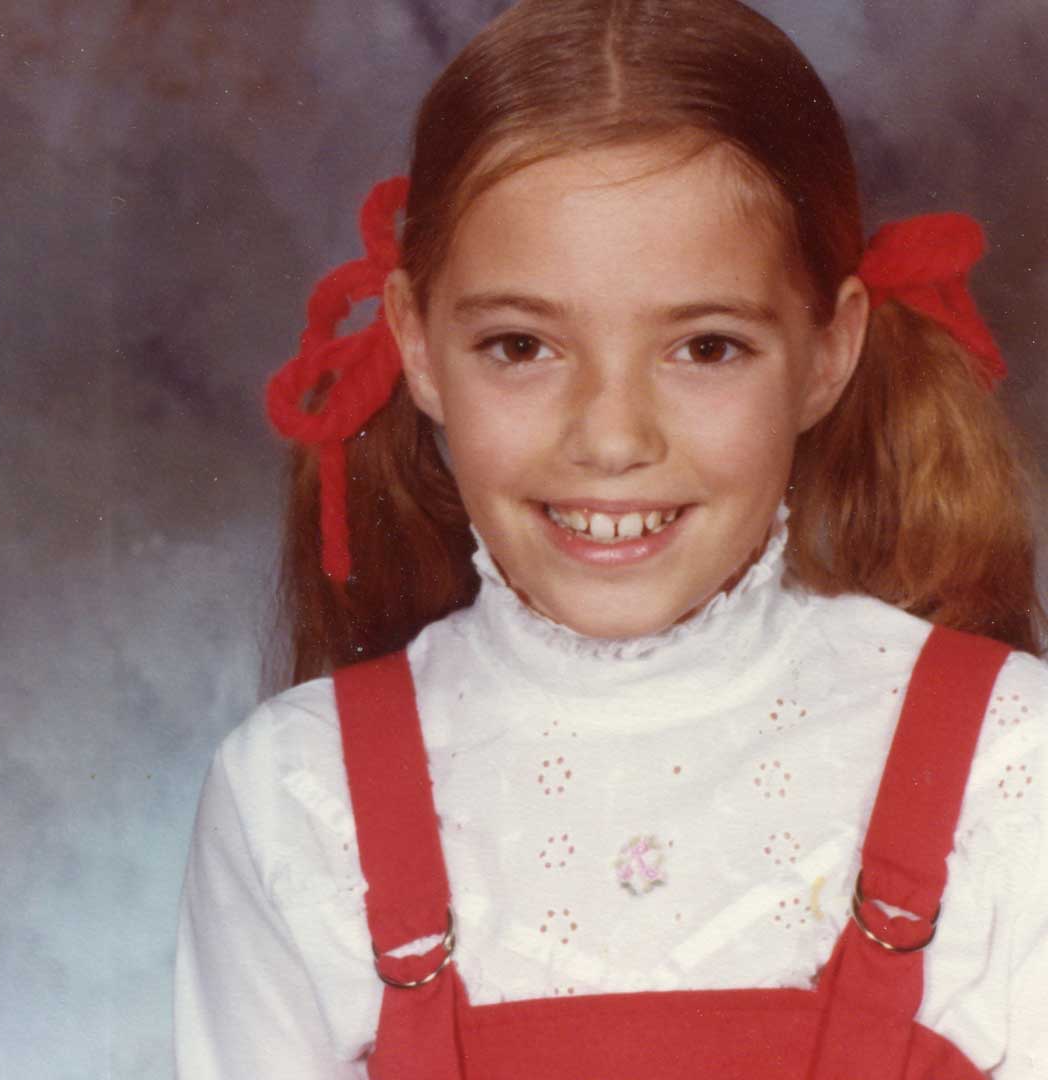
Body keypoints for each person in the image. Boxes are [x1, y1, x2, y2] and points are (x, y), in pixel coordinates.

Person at [174, 0, 1048, 1076]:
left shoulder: (1013, 767)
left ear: (828, 353)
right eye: (522, 345)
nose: (612, 436)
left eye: (707, 347)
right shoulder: (296, 794)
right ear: (418, 345)